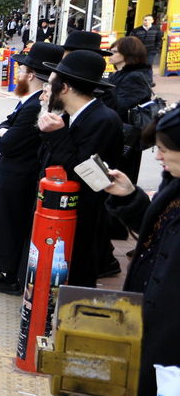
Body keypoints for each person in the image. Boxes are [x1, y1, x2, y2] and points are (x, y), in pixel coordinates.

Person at [101, 106, 180, 396]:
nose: (158, 157)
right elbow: (148, 229)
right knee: (150, 381)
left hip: (173, 312)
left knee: (171, 393)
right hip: (155, 302)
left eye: (167, 150)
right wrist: (129, 196)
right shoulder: (174, 183)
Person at [0, 42, 64, 294]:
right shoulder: (31, 100)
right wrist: (4, 131)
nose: (17, 72)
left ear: (31, 74)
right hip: (13, 172)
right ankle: (4, 269)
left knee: (11, 224)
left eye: (21, 68)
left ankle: (9, 274)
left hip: (18, 175)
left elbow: (8, 141)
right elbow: (4, 127)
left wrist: (4, 133)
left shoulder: (37, 104)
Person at [34, 49, 124, 287]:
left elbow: (89, 174)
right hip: (56, 214)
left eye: (51, 83)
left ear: (64, 88)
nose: (46, 89)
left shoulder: (103, 119)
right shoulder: (68, 116)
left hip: (82, 219)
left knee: (74, 281)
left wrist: (57, 136)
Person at [104, 36, 155, 184]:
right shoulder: (120, 75)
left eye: (113, 52)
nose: (110, 55)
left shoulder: (135, 77)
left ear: (127, 54)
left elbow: (120, 105)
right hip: (120, 133)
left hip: (126, 137)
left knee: (119, 179)